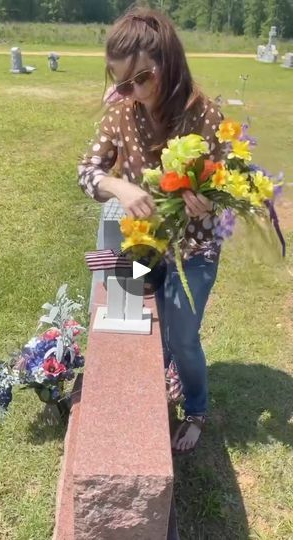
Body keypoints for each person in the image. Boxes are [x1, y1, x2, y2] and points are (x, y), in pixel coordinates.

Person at [78, 7, 224, 456]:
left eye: (142, 78)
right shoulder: (122, 113)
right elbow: (88, 172)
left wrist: (209, 198)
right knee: (133, 323)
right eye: (123, 83)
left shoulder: (205, 115)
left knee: (181, 334)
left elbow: (229, 183)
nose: (134, 92)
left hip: (194, 248)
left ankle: (196, 410)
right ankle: (151, 391)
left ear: (169, 62)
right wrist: (116, 184)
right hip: (143, 242)